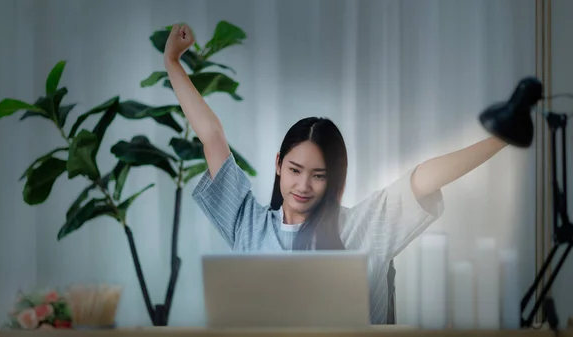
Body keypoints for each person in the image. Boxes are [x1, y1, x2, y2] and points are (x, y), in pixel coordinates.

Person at [164, 24, 508, 324]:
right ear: (278, 164)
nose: (303, 185)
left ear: (334, 179)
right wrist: (172, 63)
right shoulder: (247, 224)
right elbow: (212, 136)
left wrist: (501, 139)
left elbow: (423, 179)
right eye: (295, 170)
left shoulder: (363, 228)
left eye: (318, 175)